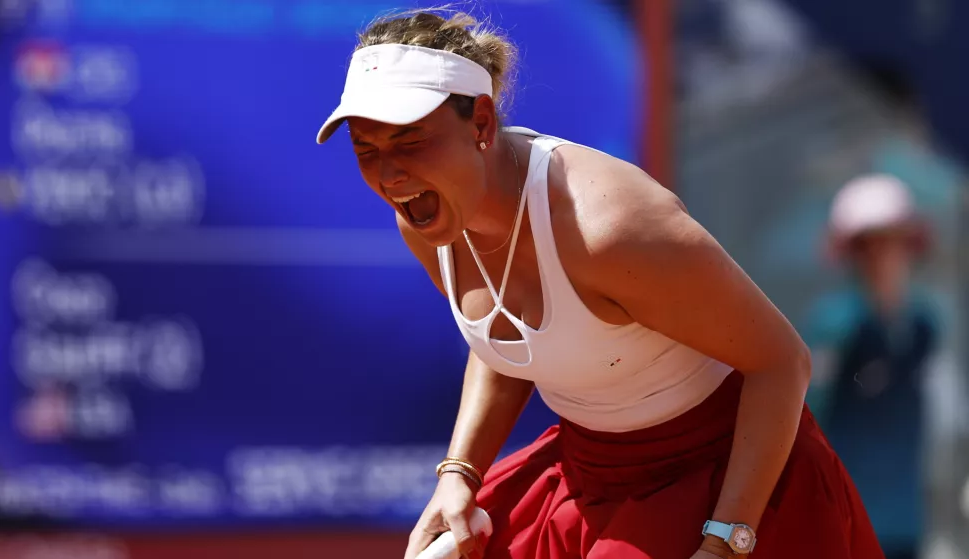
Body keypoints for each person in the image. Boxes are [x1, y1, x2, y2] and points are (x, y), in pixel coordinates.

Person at [315, 8, 883, 559]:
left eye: (411, 143)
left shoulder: (609, 230)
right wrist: (459, 474)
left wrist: (723, 543)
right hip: (589, 476)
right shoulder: (425, 216)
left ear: (482, 123)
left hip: (730, 477)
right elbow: (512, 342)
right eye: (368, 151)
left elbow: (782, 362)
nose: (389, 175)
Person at [805, 174, 941, 559]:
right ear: (853, 253)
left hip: (907, 517)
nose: (884, 255)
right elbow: (808, 417)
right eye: (870, 244)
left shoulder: (924, 326)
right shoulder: (836, 324)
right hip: (848, 519)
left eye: (894, 240)